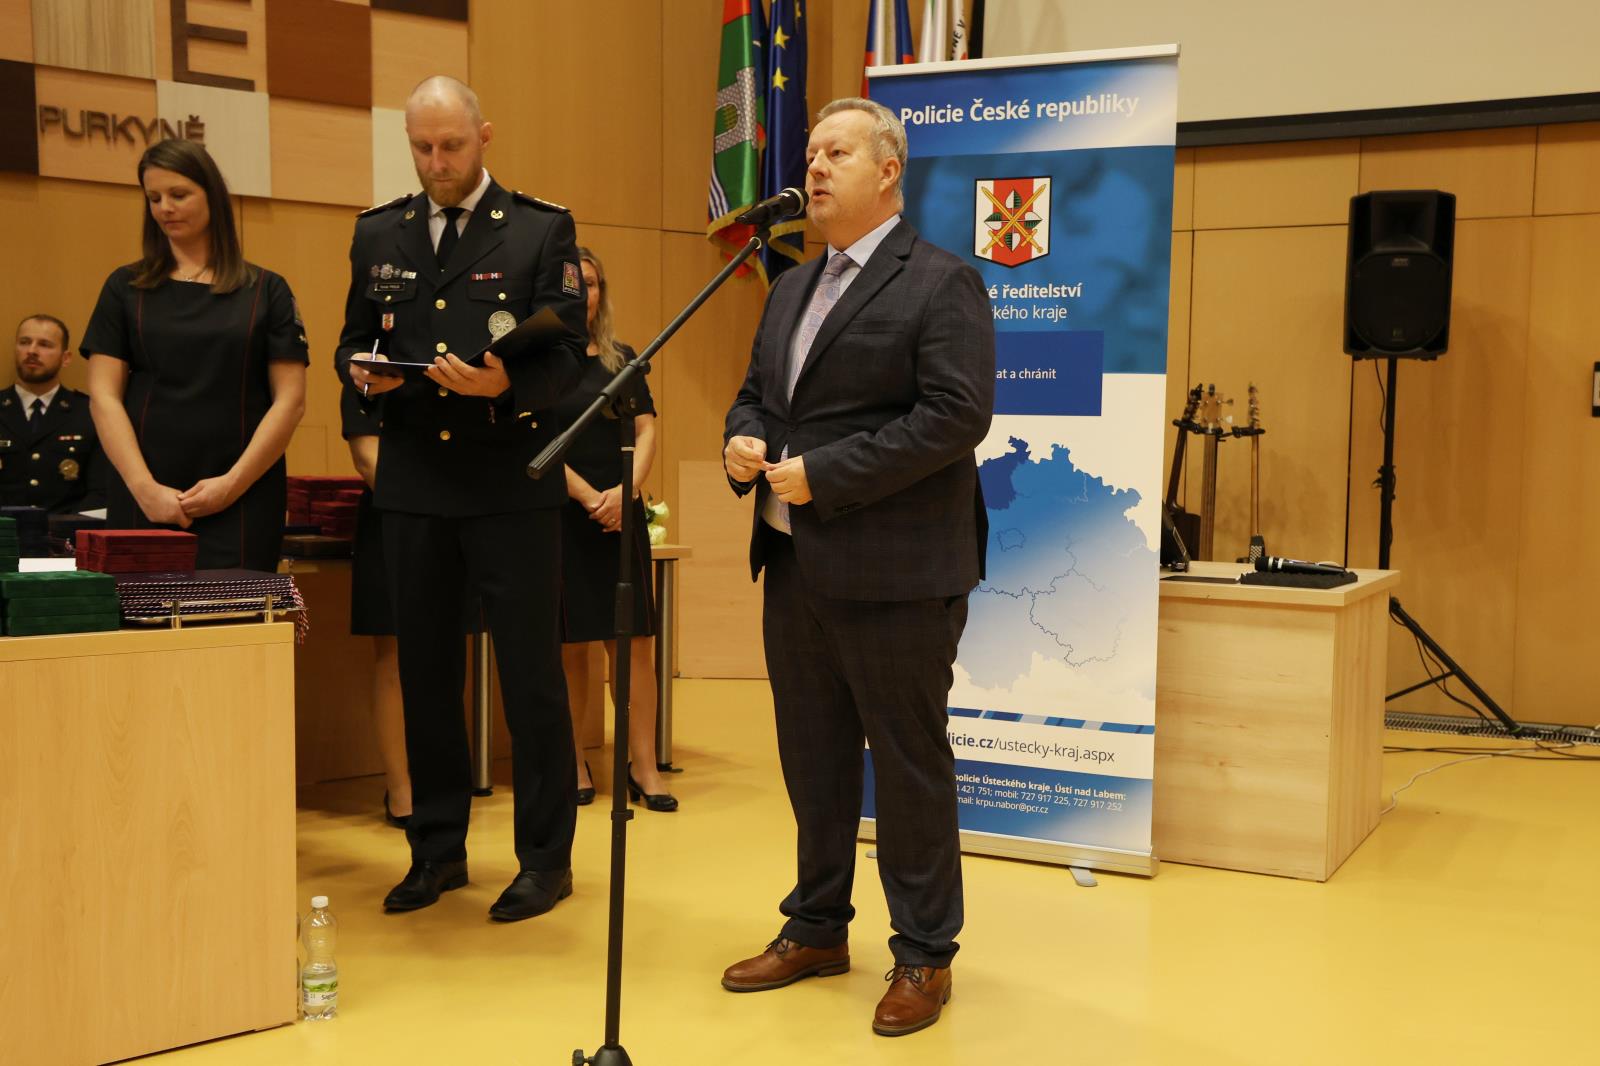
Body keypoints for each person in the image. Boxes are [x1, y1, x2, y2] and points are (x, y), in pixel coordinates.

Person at [719, 98, 995, 1037]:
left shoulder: (942, 281)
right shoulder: (791, 286)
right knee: (814, 758)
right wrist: (743, 442)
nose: (815, 167)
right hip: (795, 563)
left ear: (888, 171)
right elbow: (757, 397)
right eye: (811, 153)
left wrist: (824, 474)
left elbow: (955, 416)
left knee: (908, 767)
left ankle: (923, 952)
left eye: (837, 152)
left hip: (898, 572)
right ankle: (816, 927)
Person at [338, 76, 588, 922]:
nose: (437, 161)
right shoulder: (379, 231)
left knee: (529, 677)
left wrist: (505, 385)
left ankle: (545, 861)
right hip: (415, 483)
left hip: (509, 482)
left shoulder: (539, 229)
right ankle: (437, 851)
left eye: (451, 145)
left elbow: (568, 358)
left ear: (485, 135)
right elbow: (353, 340)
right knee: (427, 675)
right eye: (422, 147)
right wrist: (361, 379)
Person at [81, 139, 308, 570]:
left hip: (242, 494)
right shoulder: (124, 287)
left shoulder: (267, 290)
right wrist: (143, 487)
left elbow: (291, 401)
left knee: (237, 613)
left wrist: (231, 485)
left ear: (212, 195)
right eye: (154, 198)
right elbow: (103, 397)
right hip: (144, 493)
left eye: (178, 194)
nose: (165, 208)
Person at [553, 247, 676, 812]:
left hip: (620, 514)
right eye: (573, 283)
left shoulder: (622, 359)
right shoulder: (538, 364)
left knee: (634, 647)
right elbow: (534, 442)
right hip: (563, 512)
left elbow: (646, 429)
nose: (585, 293)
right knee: (570, 647)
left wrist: (625, 493)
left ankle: (643, 765)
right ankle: (574, 760)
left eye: (593, 283)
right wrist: (586, 496)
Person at [1, 314, 105, 514]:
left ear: (66, 358)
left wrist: (64, 529)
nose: (32, 351)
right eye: (24, 342)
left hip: (68, 530)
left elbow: (101, 491)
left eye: (45, 345)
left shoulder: (89, 412)